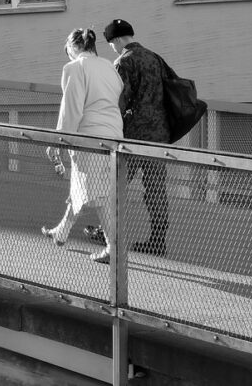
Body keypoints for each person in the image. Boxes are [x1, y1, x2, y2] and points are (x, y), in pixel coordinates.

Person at [85, 19, 170, 257]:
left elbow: (119, 101)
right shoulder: (154, 58)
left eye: (111, 43)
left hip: (133, 135)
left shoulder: (124, 61)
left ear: (118, 39)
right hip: (158, 134)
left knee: (115, 183)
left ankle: (106, 232)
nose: (112, 48)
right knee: (156, 188)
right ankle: (158, 240)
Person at [41, 28, 124, 264]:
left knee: (98, 194)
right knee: (85, 186)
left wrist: (59, 139)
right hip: (114, 135)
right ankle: (62, 231)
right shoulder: (108, 66)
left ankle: (113, 248)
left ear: (73, 47)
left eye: (66, 49)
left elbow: (71, 109)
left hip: (89, 137)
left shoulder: (74, 68)